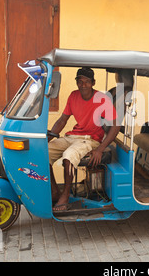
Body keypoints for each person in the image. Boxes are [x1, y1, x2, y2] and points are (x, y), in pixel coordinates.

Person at [47, 67, 120, 212]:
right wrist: (48, 138)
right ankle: (54, 191)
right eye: (79, 81)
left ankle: (65, 196)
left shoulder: (102, 99)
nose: (83, 85)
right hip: (72, 136)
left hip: (90, 139)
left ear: (93, 82)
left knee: (69, 155)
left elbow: (116, 125)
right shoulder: (73, 96)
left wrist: (99, 149)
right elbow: (62, 120)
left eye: (86, 82)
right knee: (42, 152)